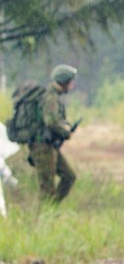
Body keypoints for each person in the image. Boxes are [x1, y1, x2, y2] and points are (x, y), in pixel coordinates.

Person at [30, 65, 78, 203]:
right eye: (71, 82)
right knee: (47, 188)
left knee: (69, 176)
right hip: (42, 146)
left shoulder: (54, 96)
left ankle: (51, 209)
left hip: (49, 146)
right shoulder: (50, 97)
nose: (72, 85)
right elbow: (51, 122)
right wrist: (66, 132)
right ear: (64, 82)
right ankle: (43, 219)